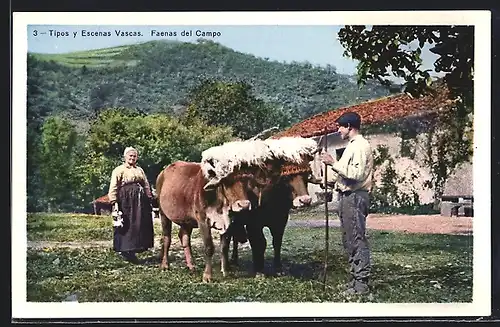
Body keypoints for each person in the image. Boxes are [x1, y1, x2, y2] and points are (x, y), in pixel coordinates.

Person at [320, 111, 374, 295]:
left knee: (356, 239)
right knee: (349, 239)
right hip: (346, 197)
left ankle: (361, 284)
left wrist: (333, 162)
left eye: (340, 127)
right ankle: (355, 279)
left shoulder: (359, 146)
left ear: (349, 127)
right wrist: (319, 177)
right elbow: (341, 174)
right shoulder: (351, 146)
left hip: (355, 197)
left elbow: (356, 174)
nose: (338, 130)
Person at [108, 147, 154, 264]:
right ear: (125, 157)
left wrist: (149, 197)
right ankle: (125, 250)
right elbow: (114, 186)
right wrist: (114, 202)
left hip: (140, 200)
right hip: (126, 201)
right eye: (130, 156)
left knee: (138, 224)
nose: (132, 158)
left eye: (134, 156)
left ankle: (136, 247)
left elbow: (146, 184)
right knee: (127, 224)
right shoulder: (119, 170)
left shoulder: (139, 170)